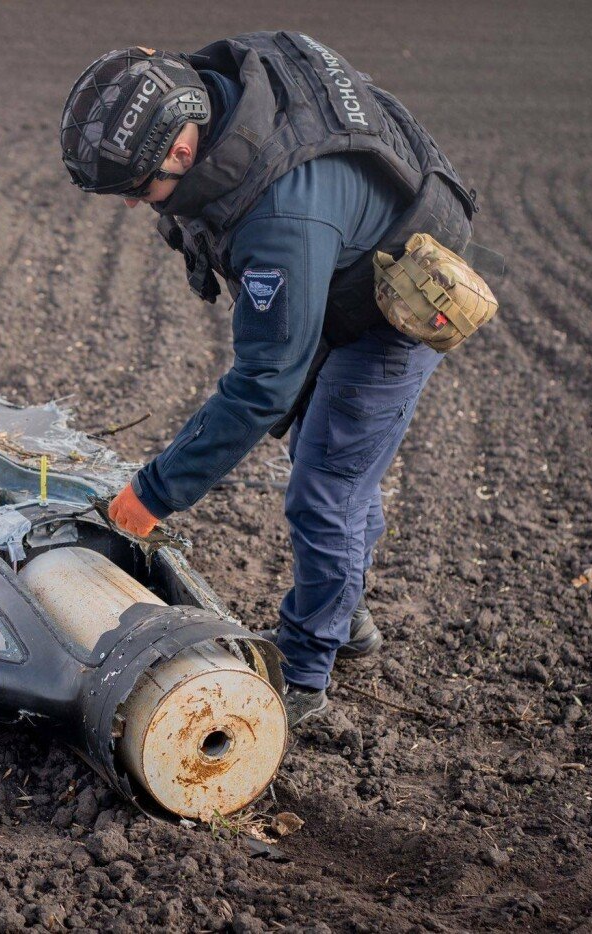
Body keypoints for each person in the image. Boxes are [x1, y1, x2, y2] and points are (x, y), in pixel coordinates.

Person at [59, 33, 479, 726]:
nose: (136, 205)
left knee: (326, 488)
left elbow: (263, 385)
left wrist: (148, 498)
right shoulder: (212, 94)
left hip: (396, 305)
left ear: (183, 149)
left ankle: (308, 672)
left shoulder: (281, 219)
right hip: (342, 258)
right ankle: (344, 612)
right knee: (326, 459)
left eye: (140, 189)